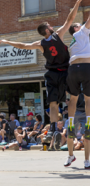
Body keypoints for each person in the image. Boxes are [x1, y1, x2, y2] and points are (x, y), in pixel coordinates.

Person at [0, 0, 85, 144]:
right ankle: (70, 125)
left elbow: (23, 46)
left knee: (53, 103)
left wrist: (8, 41)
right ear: (47, 30)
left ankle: (52, 129)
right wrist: (77, 2)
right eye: (49, 26)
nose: (52, 26)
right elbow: (70, 19)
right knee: (73, 97)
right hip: (65, 72)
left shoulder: (40, 44)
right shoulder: (57, 35)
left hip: (52, 74)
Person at [64, 14, 90, 169]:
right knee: (88, 99)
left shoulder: (73, 42)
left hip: (73, 69)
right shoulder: (81, 32)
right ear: (76, 28)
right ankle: (88, 119)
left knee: (73, 98)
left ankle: (72, 120)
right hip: (85, 68)